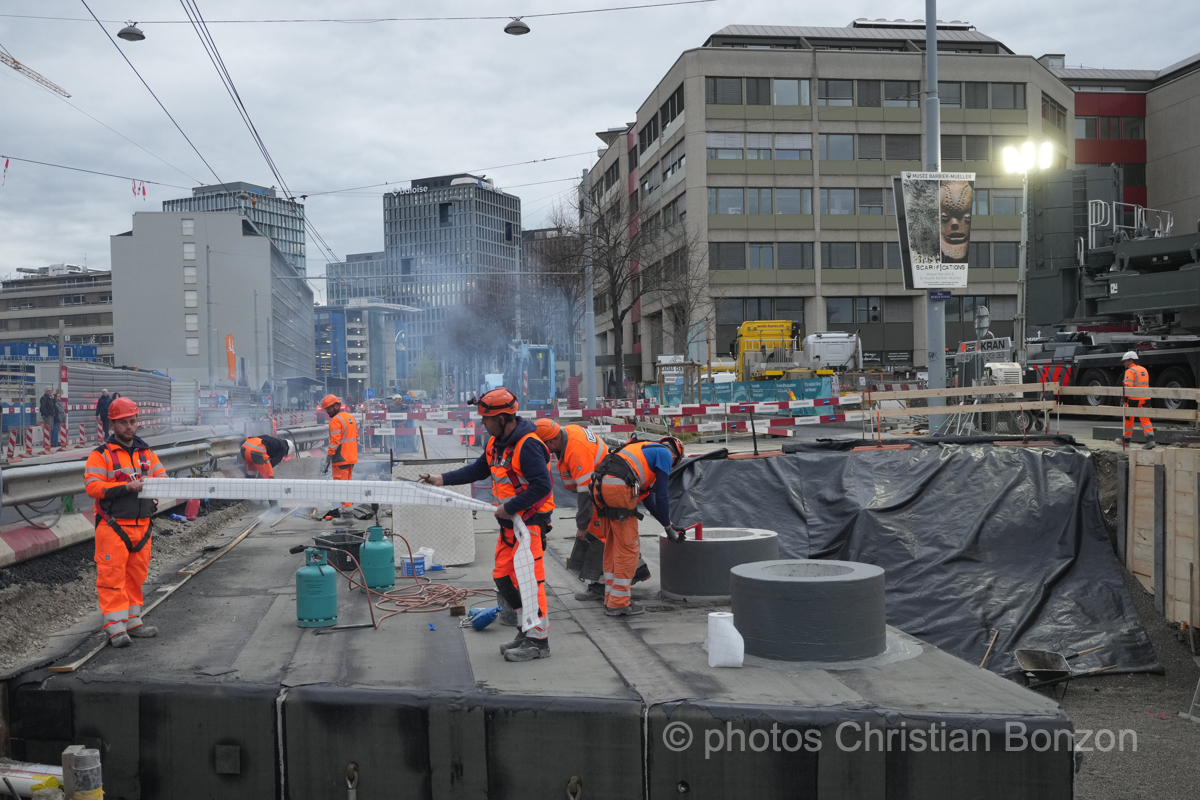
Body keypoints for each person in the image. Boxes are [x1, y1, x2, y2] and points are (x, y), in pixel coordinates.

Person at [419, 388, 555, 662]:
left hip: (529, 527)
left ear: (503, 419)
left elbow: (543, 486)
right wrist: (440, 478)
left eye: (486, 419)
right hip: (510, 526)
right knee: (504, 578)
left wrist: (510, 507)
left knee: (531, 583)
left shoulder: (527, 446)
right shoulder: (496, 444)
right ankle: (525, 630)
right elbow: (479, 469)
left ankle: (538, 641)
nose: (482, 423)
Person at [84, 397, 167, 647]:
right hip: (113, 526)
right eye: (122, 423)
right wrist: (126, 486)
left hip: (142, 526)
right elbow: (92, 487)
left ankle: (133, 622)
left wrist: (155, 483)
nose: (129, 427)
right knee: (112, 578)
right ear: (112, 425)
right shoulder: (101, 455)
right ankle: (115, 628)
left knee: (136, 577)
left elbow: (161, 477)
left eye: (132, 421)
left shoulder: (147, 453)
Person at [591, 436, 685, 616]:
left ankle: (610, 597)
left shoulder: (642, 450)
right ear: (676, 458)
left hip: (598, 486)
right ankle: (618, 604)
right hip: (617, 487)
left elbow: (649, 501)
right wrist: (667, 529)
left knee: (612, 544)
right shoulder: (665, 454)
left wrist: (669, 524)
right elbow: (662, 495)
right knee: (628, 548)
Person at [534, 418, 609, 600]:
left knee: (598, 536)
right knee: (606, 535)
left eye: (542, 446)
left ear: (551, 441)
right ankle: (625, 574)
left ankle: (601, 586)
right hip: (599, 486)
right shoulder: (566, 433)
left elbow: (586, 494)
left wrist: (582, 526)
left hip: (602, 491)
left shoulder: (577, 450)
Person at [318, 395, 358, 513]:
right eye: (326, 410)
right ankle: (348, 509)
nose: (327, 412)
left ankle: (347, 515)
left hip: (341, 458)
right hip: (351, 457)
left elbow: (334, 441)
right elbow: (356, 437)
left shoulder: (335, 420)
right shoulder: (349, 417)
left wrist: (329, 458)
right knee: (347, 485)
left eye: (329, 409)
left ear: (337, 406)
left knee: (341, 487)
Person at [1122, 351, 1155, 449]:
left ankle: (1126, 441)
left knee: (1128, 419)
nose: (1124, 363)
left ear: (1130, 360)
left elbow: (1128, 387)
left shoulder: (1130, 371)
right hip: (1145, 398)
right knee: (1145, 419)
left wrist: (1124, 399)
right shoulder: (1143, 369)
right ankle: (1150, 440)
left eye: (1125, 361)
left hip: (1134, 399)